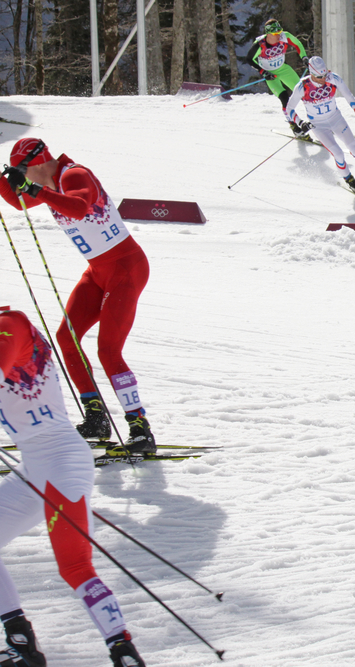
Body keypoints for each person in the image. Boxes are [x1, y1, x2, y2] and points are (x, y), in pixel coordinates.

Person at [0, 308, 145, 667]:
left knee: (75, 566)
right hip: (34, 468)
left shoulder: (9, 324)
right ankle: (20, 644)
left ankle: (123, 651)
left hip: (63, 465)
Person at [0, 138, 155, 455]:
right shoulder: (49, 182)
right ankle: (96, 415)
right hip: (98, 271)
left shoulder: (73, 174)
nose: (24, 179)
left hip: (126, 268)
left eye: (24, 172)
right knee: (66, 337)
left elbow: (79, 207)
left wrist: (32, 190)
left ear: (40, 162)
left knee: (108, 351)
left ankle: (139, 427)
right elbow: (18, 202)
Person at [284, 56, 355, 196]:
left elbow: (349, 96)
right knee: (337, 153)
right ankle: (349, 180)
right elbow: (289, 109)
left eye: (324, 75)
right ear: (311, 74)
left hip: (336, 119)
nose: (323, 79)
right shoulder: (302, 86)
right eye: (319, 76)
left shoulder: (333, 78)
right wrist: (301, 123)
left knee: (354, 147)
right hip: (318, 125)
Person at [245, 18, 311, 137]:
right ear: (268, 34)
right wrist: (263, 72)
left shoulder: (285, 36)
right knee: (284, 97)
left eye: (279, 31)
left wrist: (304, 58)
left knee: (304, 91)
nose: (279, 35)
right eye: (276, 33)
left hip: (283, 69)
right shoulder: (260, 45)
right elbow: (249, 59)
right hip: (270, 75)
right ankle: (295, 127)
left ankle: (318, 119)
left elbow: (297, 44)